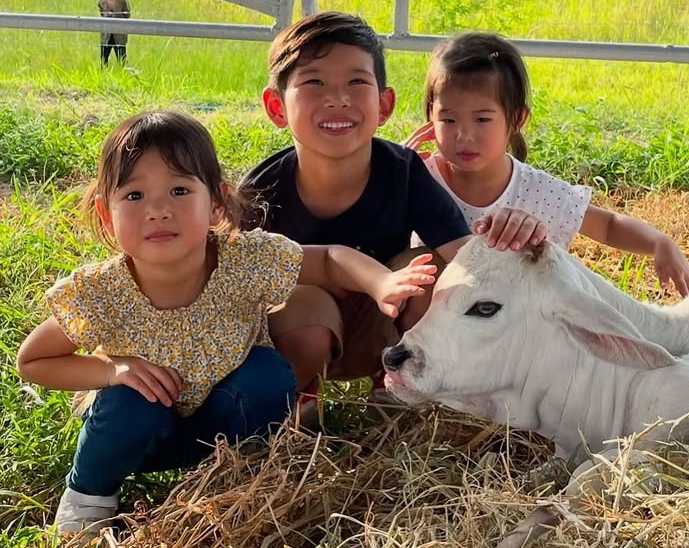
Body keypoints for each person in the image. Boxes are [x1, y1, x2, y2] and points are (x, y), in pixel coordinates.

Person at [15, 110, 438, 537]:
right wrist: (113, 369)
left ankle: (240, 474)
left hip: (221, 425)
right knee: (129, 401)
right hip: (136, 436)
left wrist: (381, 281)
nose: (158, 210)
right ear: (107, 214)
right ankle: (89, 494)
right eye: (134, 195)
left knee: (267, 374)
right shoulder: (102, 291)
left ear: (216, 202)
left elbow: (329, 258)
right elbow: (33, 360)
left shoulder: (242, 260)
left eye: (179, 190)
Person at [240, 12, 547, 401]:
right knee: (302, 303)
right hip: (300, 329)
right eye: (314, 82)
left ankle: (397, 383)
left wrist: (516, 240)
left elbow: (465, 256)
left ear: (384, 105)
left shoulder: (404, 172)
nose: (338, 99)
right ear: (276, 107)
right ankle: (298, 397)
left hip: (382, 319)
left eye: (356, 82)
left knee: (430, 270)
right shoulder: (260, 192)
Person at [405, 30, 689, 296]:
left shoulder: (536, 191)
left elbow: (607, 226)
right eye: (448, 120)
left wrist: (658, 242)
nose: (464, 135)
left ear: (517, 119)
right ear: (430, 116)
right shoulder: (418, 177)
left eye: (482, 119)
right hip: (432, 325)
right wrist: (394, 167)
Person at [98, 0, 131, 66]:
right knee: (103, 59)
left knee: (122, 58)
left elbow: (127, 14)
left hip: (119, 34)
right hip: (106, 35)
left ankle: (123, 72)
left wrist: (117, 15)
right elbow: (102, 15)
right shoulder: (102, 2)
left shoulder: (122, 0)